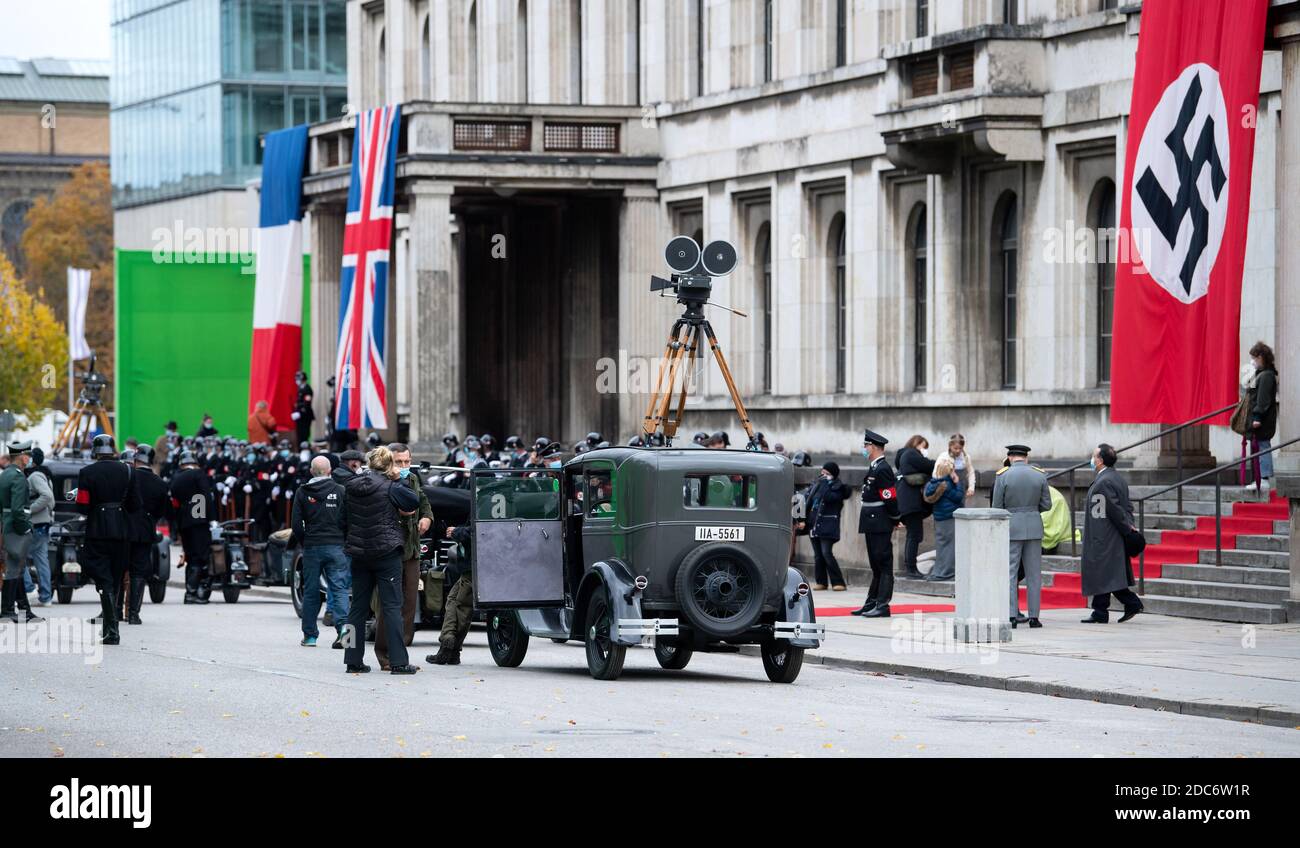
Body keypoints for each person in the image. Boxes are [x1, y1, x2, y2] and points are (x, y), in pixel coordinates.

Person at [340, 446, 420, 675]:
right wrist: (399, 481)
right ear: (387, 466)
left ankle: (351, 659)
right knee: (392, 606)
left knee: (356, 608)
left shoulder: (351, 486)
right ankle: (398, 662)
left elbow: (342, 519)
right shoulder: (391, 486)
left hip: (358, 553)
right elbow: (412, 502)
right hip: (386, 552)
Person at [75, 435, 140, 643]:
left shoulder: (87, 472)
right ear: (113, 450)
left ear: (95, 451)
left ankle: (112, 630)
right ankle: (110, 628)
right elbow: (135, 504)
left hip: (97, 529)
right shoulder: (128, 470)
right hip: (121, 529)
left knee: (104, 580)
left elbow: (83, 506)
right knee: (116, 575)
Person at [374, 443, 433, 670]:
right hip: (390, 549)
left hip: (411, 549)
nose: (404, 466)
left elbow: (424, 501)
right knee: (389, 604)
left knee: (409, 603)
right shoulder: (383, 482)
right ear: (390, 461)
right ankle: (385, 655)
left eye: (407, 461)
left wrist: (427, 517)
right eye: (399, 462)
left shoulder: (413, 479)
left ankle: (401, 652)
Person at [290, 455, 351, 648]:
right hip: (336, 546)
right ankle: (345, 633)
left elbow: (296, 525)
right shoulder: (340, 490)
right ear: (330, 471)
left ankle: (310, 637)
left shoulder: (302, 492)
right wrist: (343, 539)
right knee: (340, 589)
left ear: (310, 471)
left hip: (312, 546)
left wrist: (306, 541)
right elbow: (348, 519)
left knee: (311, 591)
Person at [1080, 443, 1144, 624]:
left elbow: (1113, 509)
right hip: (1110, 534)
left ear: (1099, 460)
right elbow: (1126, 506)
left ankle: (1131, 602)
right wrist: (1129, 525)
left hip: (1104, 535)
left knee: (1105, 573)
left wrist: (1128, 529)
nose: (1092, 460)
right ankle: (1100, 611)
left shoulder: (1103, 482)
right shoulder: (1116, 478)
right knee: (1106, 573)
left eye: (1093, 456)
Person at [992, 444, 1051, 628]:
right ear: (1026, 457)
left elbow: (997, 507)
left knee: (1010, 573)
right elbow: (1047, 505)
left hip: (1012, 527)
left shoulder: (1003, 475)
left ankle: (1011, 615)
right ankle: (1034, 617)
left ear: (1010, 457)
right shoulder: (1039, 474)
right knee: (1034, 574)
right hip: (1034, 526)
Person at [851, 429, 900, 618]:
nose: (864, 448)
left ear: (873, 447)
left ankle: (883, 605)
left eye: (866, 445)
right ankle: (871, 602)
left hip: (880, 521)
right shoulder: (874, 467)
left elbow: (889, 496)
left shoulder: (883, 469)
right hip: (872, 520)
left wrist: (895, 518)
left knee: (883, 564)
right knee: (876, 565)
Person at [125, 446, 169, 624]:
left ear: (136, 460)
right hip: (145, 530)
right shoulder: (160, 483)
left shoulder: (127, 477)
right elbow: (162, 510)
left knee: (120, 570)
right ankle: (134, 613)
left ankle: (116, 611)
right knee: (138, 572)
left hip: (125, 528)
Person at [169, 451, 216, 604]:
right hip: (198, 519)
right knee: (200, 556)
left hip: (184, 521)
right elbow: (205, 496)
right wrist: (212, 518)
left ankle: (190, 591)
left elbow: (174, 502)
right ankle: (192, 593)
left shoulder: (176, 478)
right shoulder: (198, 474)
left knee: (190, 555)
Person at [428, 523, 473, 666]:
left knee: (462, 607)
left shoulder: (485, 504)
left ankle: (449, 645)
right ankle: (451, 649)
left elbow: (475, 532)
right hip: (473, 568)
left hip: (474, 568)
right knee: (453, 599)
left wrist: (456, 531)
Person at [0, 440, 36, 622]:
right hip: (15, 527)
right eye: (28, 456)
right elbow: (17, 509)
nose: (29, 459)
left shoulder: (5, 474)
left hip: (6, 525)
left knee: (17, 568)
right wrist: (26, 528)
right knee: (14, 568)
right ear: (22, 456)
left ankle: (25, 611)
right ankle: (6, 610)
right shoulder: (18, 476)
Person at [895, 434, 935, 579]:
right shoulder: (911, 454)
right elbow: (930, 465)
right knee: (914, 535)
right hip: (911, 503)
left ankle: (910, 568)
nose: (925, 450)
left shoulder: (903, 458)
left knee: (913, 535)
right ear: (916, 444)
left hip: (906, 503)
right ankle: (911, 569)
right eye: (923, 446)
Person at [806, 461, 848, 590]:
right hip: (814, 525)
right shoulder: (816, 485)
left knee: (826, 553)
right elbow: (808, 501)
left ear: (833, 475)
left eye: (827, 473)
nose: (823, 475)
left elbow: (830, 498)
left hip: (828, 526)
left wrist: (824, 484)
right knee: (818, 555)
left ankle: (838, 582)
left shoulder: (838, 488)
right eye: (822, 472)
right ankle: (821, 582)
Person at [1243, 341, 1278, 497]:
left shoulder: (1266, 376)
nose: (1253, 361)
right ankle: (1259, 477)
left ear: (1262, 357)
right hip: (1261, 418)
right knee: (1259, 447)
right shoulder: (1264, 374)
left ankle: (1263, 478)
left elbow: (1262, 400)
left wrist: (1257, 417)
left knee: (1262, 446)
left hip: (1262, 420)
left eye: (1255, 358)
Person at [922, 455, 965, 581]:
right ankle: (946, 572)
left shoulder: (933, 483)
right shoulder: (947, 484)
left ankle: (938, 571)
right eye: (952, 470)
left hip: (939, 517)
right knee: (950, 547)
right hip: (949, 517)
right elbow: (958, 497)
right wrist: (957, 482)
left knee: (941, 546)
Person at [25, 447, 55, 607]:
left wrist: (30, 509)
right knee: (41, 560)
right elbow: (52, 501)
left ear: (33, 459)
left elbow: (47, 496)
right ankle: (46, 596)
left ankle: (30, 590)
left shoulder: (35, 476)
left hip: (35, 524)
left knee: (18, 557)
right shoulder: (45, 475)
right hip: (43, 523)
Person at [946, 433, 977, 500]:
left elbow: (970, 472)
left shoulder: (966, 457)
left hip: (961, 488)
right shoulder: (944, 457)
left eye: (960, 448)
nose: (958, 450)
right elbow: (937, 473)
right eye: (955, 448)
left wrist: (971, 488)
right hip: (947, 488)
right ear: (950, 446)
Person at [292, 371, 315, 446]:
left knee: (304, 433)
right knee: (299, 434)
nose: (297, 381)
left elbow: (307, 403)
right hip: (300, 416)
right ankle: (300, 448)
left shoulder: (307, 389)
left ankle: (304, 448)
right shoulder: (300, 388)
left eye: (298, 379)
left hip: (305, 415)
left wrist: (300, 413)